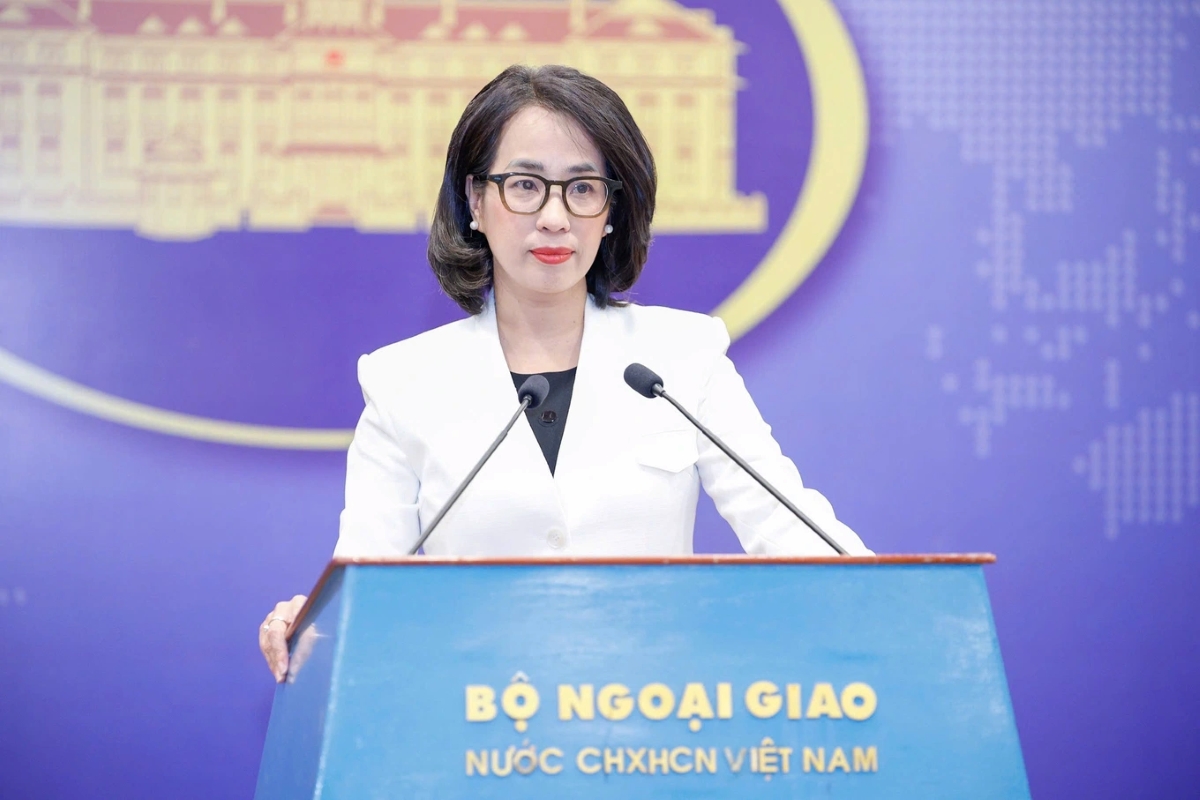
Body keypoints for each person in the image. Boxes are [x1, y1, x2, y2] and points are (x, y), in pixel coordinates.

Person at [259, 64, 871, 681]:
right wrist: (309, 625)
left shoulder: (683, 356)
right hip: (474, 714)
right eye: (525, 185)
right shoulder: (403, 384)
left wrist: (888, 601)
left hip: (652, 711)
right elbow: (363, 585)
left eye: (582, 188)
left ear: (611, 209)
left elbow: (789, 527)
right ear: (476, 200)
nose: (555, 217)